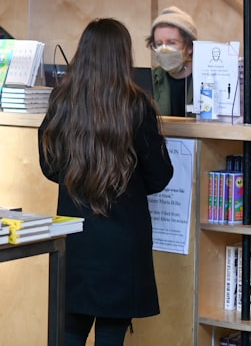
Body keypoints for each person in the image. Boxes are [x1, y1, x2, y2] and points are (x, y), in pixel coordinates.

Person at [38, 18, 174, 346]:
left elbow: (48, 165)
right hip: (122, 241)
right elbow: (160, 175)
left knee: (68, 332)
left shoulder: (62, 101)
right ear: (122, 56)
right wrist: (127, 186)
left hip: (73, 238)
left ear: (82, 53)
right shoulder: (137, 106)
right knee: (111, 335)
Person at [146, 6, 198, 117]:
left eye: (171, 43)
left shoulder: (206, 78)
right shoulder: (151, 80)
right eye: (159, 44)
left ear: (189, 47)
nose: (164, 49)